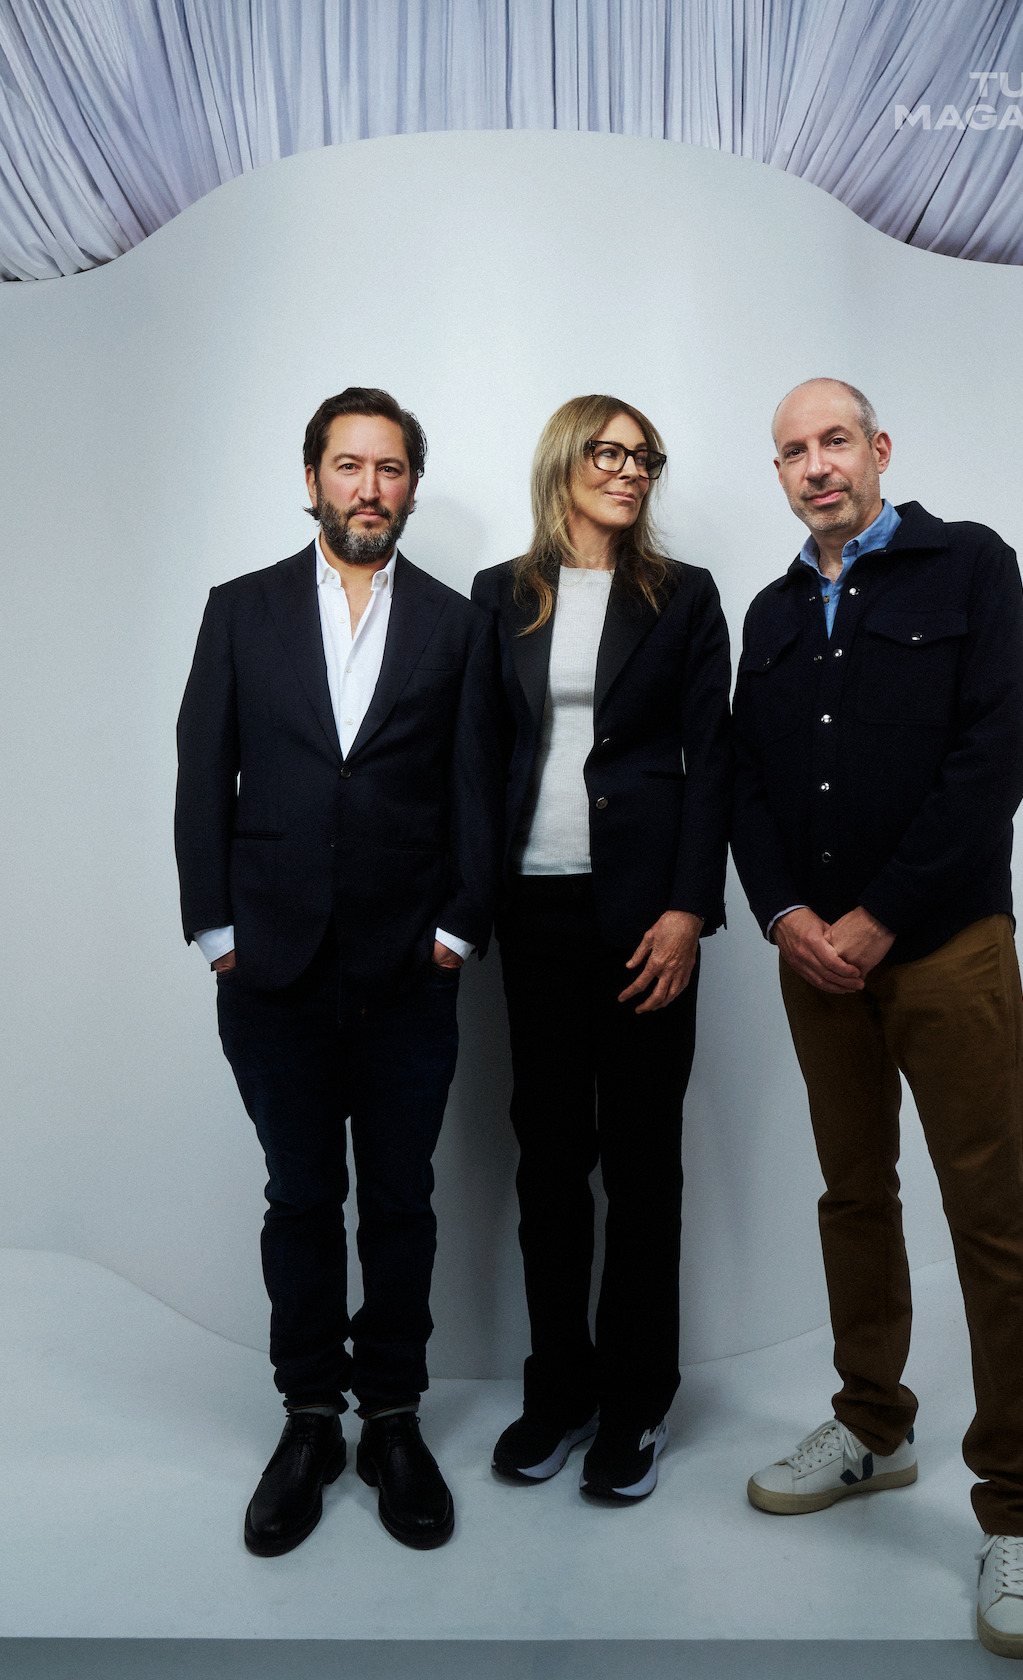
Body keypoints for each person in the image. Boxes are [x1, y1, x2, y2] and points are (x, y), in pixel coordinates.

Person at [731, 378, 1023, 1659]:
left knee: (991, 1219)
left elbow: (999, 757)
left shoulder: (968, 566)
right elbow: (746, 783)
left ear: (878, 452)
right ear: (779, 475)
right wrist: (782, 918)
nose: (816, 467)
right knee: (852, 1197)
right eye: (791, 452)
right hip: (815, 965)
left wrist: (877, 917)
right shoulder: (766, 615)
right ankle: (874, 1427)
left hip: (947, 950)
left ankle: (1019, 1508)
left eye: (834, 442)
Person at [175, 387, 502, 1555]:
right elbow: (202, 777)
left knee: (403, 1203)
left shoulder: (458, 627)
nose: (371, 488)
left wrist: (458, 930)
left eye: (393, 469)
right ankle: (310, 1418)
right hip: (272, 971)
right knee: (302, 1200)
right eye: (350, 466)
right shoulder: (240, 612)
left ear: (412, 485)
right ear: (311, 477)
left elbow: (478, 791)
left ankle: (394, 1419)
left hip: (410, 973)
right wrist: (217, 937)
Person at [471, 395, 732, 1502]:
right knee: (546, 1160)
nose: (630, 473)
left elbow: (713, 759)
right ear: (566, 464)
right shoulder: (500, 596)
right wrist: (457, 909)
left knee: (641, 1163)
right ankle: (558, 1392)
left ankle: (636, 1402)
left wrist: (688, 909)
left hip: (643, 921)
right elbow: (477, 758)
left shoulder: (683, 597)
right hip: (532, 913)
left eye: (645, 458)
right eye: (610, 454)